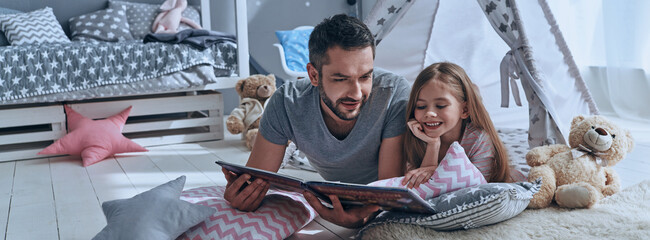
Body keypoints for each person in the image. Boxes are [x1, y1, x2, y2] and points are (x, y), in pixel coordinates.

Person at [221, 14, 411, 228]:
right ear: (313, 75)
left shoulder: (394, 94)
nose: (357, 93)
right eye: (341, 79)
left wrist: (362, 220)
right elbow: (255, 179)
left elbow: (388, 194)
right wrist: (243, 195)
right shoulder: (286, 103)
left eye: (365, 77)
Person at [400, 62, 510, 189]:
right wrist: (433, 145)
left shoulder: (478, 140)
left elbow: (476, 191)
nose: (429, 113)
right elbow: (419, 190)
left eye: (441, 105)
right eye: (421, 106)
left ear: (464, 110)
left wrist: (435, 172)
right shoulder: (415, 136)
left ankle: (475, 93)